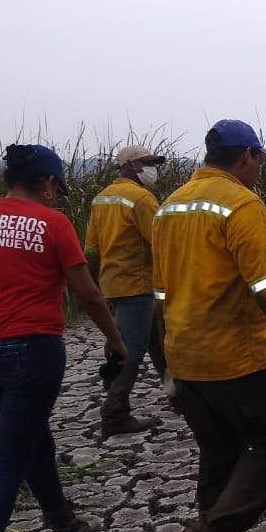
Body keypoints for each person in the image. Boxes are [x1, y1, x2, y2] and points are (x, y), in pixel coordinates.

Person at [0, 144, 129, 532]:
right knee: (8, 460)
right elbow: (87, 294)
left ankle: (64, 525)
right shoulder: (53, 224)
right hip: (31, 351)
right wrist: (115, 339)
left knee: (32, 437)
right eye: (56, 187)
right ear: (49, 183)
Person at [151, 120, 266, 532]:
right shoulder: (241, 203)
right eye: (259, 159)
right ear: (247, 155)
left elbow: (159, 293)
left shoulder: (168, 207)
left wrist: (166, 359)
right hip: (236, 355)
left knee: (220, 450)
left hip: (185, 353)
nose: (259, 167)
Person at [84, 144, 170, 437]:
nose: (153, 168)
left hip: (113, 284)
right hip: (138, 284)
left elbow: (91, 250)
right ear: (132, 165)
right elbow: (163, 241)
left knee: (159, 342)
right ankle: (114, 413)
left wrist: (93, 285)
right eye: (149, 163)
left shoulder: (102, 198)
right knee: (130, 351)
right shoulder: (140, 198)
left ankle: (181, 395)